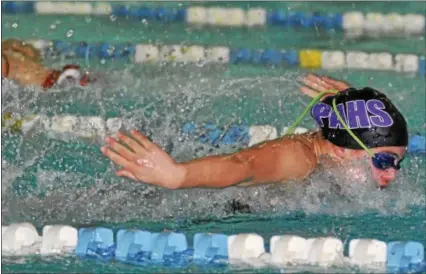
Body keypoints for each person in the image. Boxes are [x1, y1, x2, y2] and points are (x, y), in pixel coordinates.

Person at [101, 74, 408, 189]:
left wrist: (353, 99)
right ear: (342, 148)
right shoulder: (298, 159)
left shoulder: (336, 156)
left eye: (396, 162)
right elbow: (243, 166)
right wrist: (178, 176)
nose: (392, 174)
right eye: (383, 161)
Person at [2, 39, 91, 89]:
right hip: (53, 78)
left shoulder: (7, 47)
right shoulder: (7, 46)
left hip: (49, 83)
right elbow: (32, 52)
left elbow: (31, 52)